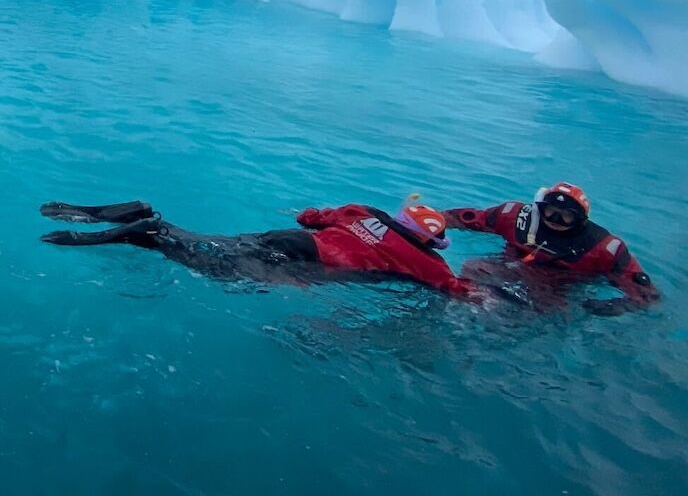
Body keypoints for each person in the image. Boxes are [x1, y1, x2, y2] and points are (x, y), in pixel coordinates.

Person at [40, 197, 478, 298]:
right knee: (213, 268)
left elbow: (311, 216)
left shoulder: (364, 213)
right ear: (433, 241)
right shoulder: (424, 261)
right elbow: (455, 288)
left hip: (285, 238)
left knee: (203, 241)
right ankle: (141, 232)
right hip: (299, 260)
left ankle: (146, 215)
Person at [443, 182, 659, 315]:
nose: (556, 219)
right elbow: (471, 219)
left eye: (566, 216)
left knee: (544, 317)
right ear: (541, 209)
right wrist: (432, 220)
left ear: (580, 219)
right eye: (551, 212)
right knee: (474, 267)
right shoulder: (516, 217)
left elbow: (645, 296)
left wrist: (609, 308)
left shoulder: (603, 248)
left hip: (551, 292)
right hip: (506, 270)